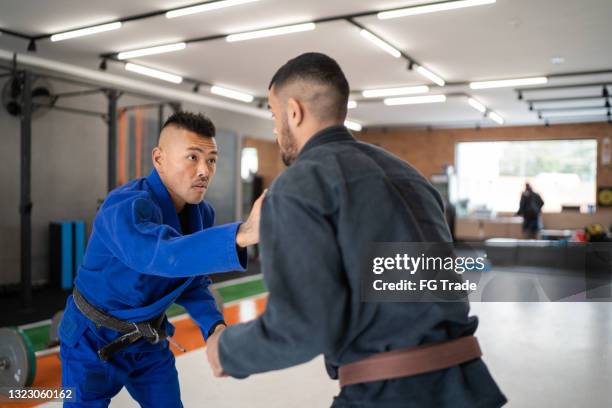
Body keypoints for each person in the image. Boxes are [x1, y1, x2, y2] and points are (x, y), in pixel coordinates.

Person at [206, 53, 506, 407]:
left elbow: (300, 327)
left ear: (294, 111)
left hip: (388, 395)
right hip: (467, 388)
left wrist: (225, 351)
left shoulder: (300, 185)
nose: (275, 129)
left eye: (274, 115)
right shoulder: (411, 178)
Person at [59, 111, 264, 407]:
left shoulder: (201, 214)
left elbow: (191, 282)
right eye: (193, 157)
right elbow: (161, 255)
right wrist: (241, 234)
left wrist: (215, 328)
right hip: (92, 341)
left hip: (147, 341)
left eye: (211, 159)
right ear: (159, 159)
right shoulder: (125, 206)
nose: (205, 170)